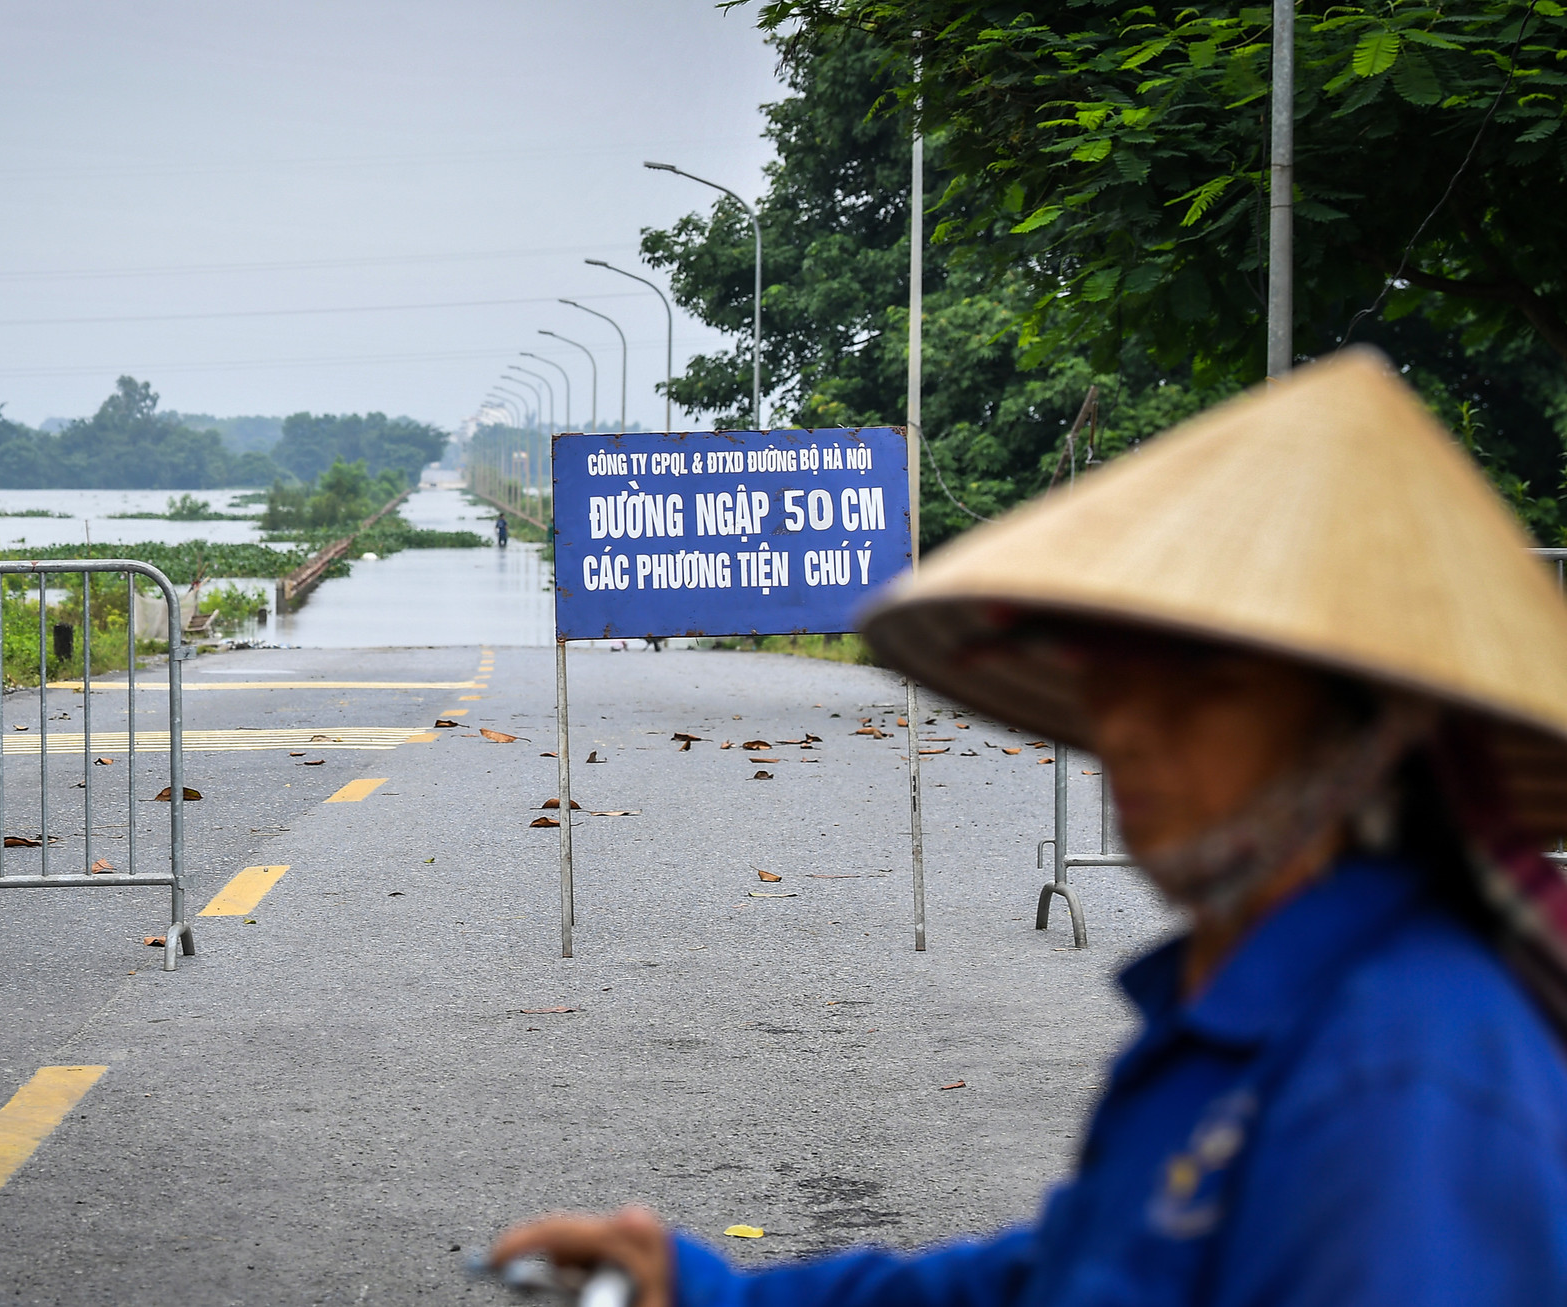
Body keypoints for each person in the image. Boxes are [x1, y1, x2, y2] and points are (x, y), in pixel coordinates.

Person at [490, 349, 1567, 1305]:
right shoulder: (1235, 1009)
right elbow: (1059, 1275)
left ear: (1368, 733)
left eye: (1203, 688)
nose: (1126, 734)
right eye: (1113, 684)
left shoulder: (1404, 1069)